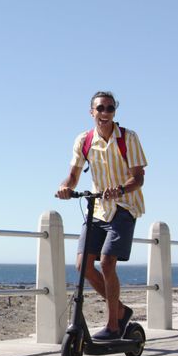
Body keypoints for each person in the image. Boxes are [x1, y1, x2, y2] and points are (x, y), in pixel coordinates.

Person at [56, 91, 149, 340]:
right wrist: (67, 187)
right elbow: (74, 174)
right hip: (97, 207)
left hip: (124, 206)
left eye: (110, 109)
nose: (105, 113)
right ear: (92, 112)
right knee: (82, 264)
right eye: (100, 109)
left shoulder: (128, 138)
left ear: (114, 112)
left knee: (107, 262)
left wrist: (119, 189)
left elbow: (138, 177)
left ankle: (114, 325)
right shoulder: (84, 140)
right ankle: (119, 310)